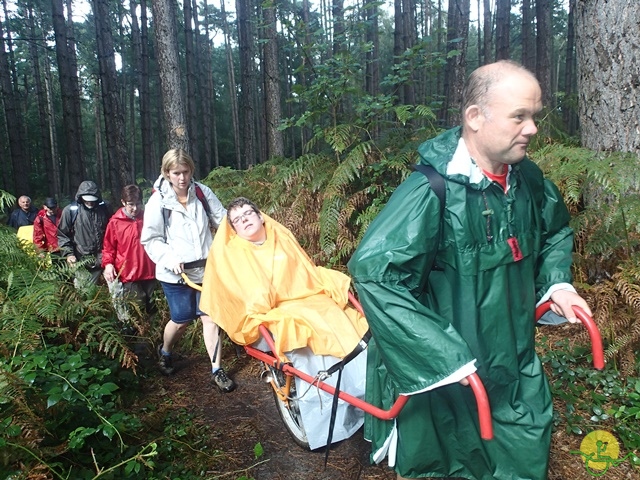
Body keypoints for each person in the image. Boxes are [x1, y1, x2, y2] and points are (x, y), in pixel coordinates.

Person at [347, 60, 592, 480]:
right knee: (448, 463)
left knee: (524, 450)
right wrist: (445, 358)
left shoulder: (528, 181)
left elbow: (555, 232)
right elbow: (374, 275)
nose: (532, 128)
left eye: (534, 116)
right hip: (450, 379)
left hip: (514, 364)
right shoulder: (431, 190)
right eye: (520, 116)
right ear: (475, 118)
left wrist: (558, 284)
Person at [199, 197, 369, 448]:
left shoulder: (281, 237)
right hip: (272, 310)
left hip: (306, 297)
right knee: (303, 330)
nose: (244, 219)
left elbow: (304, 271)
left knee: (340, 316)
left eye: (248, 213)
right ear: (233, 229)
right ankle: (324, 408)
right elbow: (242, 291)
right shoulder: (233, 254)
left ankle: (362, 385)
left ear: (260, 216)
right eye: (237, 219)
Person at [141, 148, 235, 393]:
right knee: (181, 320)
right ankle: (166, 351)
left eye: (186, 172)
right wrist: (169, 257)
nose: (182, 178)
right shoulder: (158, 201)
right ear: (167, 173)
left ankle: (217, 369)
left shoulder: (202, 193)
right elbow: (151, 239)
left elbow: (222, 221)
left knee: (210, 318)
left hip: (206, 271)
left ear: (191, 171)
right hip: (175, 274)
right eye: (176, 173)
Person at [102, 185, 156, 332]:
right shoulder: (115, 222)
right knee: (136, 307)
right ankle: (138, 339)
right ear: (123, 202)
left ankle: (153, 336)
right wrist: (108, 264)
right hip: (129, 275)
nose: (135, 208)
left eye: (138, 203)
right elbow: (108, 247)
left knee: (153, 306)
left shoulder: (148, 217)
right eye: (131, 204)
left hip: (150, 271)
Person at [58, 181, 111, 286]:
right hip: (82, 259)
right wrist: (69, 254)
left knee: (117, 291)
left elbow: (113, 232)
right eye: (87, 200)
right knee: (85, 294)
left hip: (105, 257)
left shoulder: (105, 208)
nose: (90, 203)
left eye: (93, 200)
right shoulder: (70, 211)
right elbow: (63, 235)